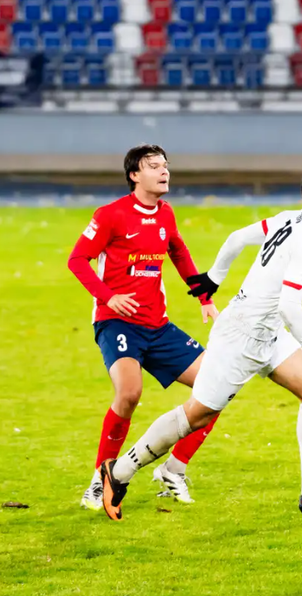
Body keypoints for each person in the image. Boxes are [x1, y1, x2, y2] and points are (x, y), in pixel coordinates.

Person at [98, 167, 302, 520]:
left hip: (267, 332)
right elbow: (289, 303)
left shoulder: (293, 217)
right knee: (196, 415)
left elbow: (238, 237)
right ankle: (118, 474)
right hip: (241, 335)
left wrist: (214, 277)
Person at [68, 144, 221, 509]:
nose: (164, 171)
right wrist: (108, 297)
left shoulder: (166, 214)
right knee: (129, 394)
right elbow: (78, 260)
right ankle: (98, 480)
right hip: (117, 322)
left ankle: (174, 469)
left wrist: (205, 298)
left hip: (158, 325)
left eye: (166, 165)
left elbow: (178, 251)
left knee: (217, 389)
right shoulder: (110, 215)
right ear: (135, 175)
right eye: (154, 166)